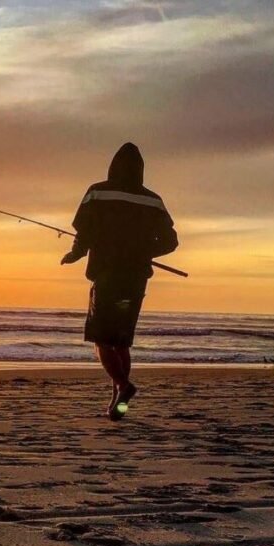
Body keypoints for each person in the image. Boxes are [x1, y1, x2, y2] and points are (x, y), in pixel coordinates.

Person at [61, 143, 178, 421]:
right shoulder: (153, 200)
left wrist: (75, 255)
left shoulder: (98, 192)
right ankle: (119, 403)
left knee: (102, 339)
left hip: (106, 275)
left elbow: (84, 233)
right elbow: (171, 242)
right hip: (136, 280)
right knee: (121, 341)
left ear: (113, 166)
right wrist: (144, 252)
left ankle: (124, 387)